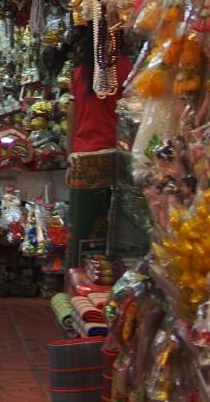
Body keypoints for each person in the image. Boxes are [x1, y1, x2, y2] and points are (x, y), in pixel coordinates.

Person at [65, 25, 131, 268]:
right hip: (116, 155)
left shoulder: (80, 73)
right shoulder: (126, 70)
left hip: (84, 157)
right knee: (116, 231)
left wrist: (69, 156)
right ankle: (110, 278)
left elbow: (71, 117)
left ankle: (78, 277)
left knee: (82, 229)